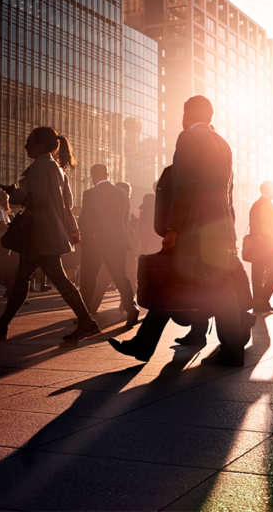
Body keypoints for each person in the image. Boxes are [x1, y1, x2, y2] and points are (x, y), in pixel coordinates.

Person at [108, 96, 250, 366]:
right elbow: (228, 191)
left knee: (171, 281)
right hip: (219, 227)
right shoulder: (223, 143)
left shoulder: (188, 138)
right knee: (220, 289)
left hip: (195, 228)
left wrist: (172, 228)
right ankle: (231, 350)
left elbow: (184, 186)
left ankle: (145, 344)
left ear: (187, 115)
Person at [0, 127, 100, 342]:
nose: (26, 146)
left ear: (41, 144)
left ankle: (86, 322)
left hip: (41, 235)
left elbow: (39, 198)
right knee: (23, 278)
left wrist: (13, 192)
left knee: (57, 280)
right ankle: (2, 325)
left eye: (29, 142)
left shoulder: (41, 165)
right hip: (45, 234)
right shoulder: (56, 167)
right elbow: (63, 201)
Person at [77, 164, 140, 328]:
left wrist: (85, 242)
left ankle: (84, 314)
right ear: (108, 174)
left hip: (95, 243)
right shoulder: (121, 193)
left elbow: (85, 220)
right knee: (120, 276)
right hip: (117, 242)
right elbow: (125, 219)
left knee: (89, 278)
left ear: (92, 176)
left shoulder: (89, 194)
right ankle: (131, 307)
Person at [248, 180, 273, 316]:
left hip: (257, 246)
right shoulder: (266, 204)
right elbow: (271, 226)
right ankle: (262, 300)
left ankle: (258, 304)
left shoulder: (256, 204)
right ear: (267, 190)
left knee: (257, 274)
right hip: (266, 246)